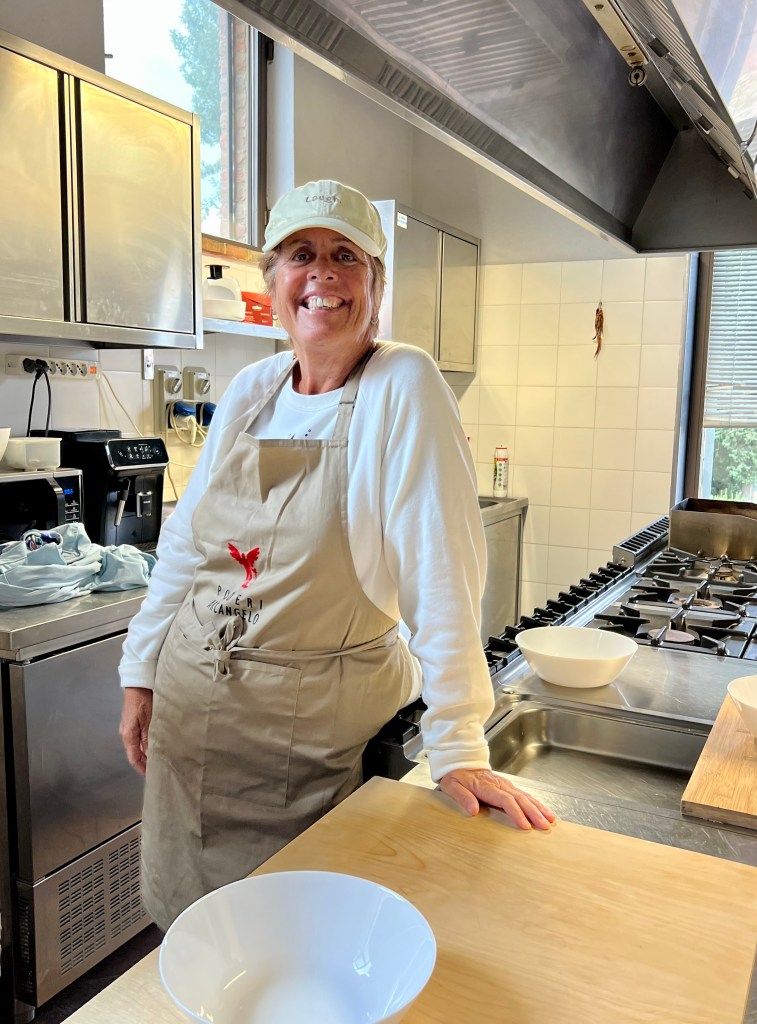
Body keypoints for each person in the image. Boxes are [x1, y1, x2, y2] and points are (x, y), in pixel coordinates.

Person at [119, 179, 554, 931]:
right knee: (197, 942)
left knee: (299, 944)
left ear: (376, 287)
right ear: (274, 283)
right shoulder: (253, 389)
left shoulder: (402, 384)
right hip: (191, 728)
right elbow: (188, 548)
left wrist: (458, 742)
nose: (322, 272)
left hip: (305, 746)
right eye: (300, 254)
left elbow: (442, 574)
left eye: (345, 256)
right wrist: (141, 671)